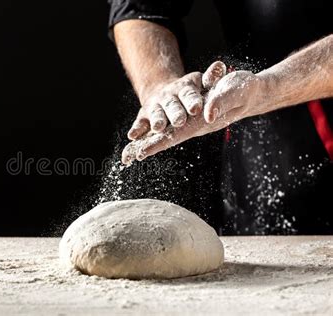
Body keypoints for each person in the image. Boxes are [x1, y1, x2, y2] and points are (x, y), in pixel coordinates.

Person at [107, 0, 333, 234]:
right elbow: (141, 9)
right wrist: (159, 85)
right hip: (261, 154)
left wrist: (268, 87)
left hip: (262, 98)